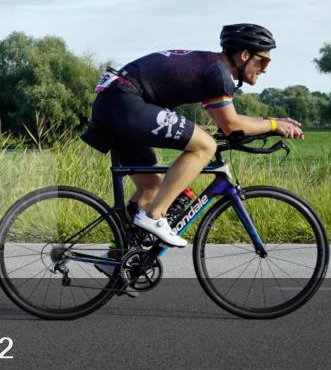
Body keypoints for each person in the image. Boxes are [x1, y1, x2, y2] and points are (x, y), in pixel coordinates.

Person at [90, 23, 304, 247]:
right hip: (125, 102)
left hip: (116, 102)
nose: (265, 68)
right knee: (205, 146)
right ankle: (155, 216)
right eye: (264, 60)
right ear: (244, 55)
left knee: (150, 188)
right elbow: (231, 126)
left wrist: (273, 122)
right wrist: (272, 125)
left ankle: (117, 256)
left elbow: (232, 120)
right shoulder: (217, 73)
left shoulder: (211, 67)